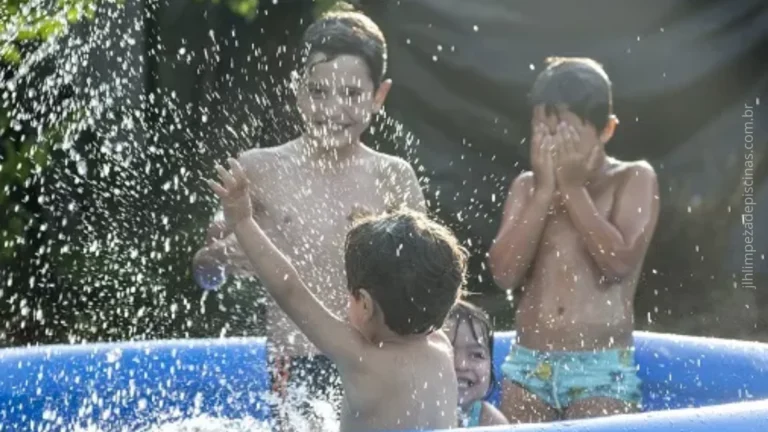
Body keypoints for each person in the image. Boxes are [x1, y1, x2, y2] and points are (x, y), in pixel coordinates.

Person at [192, 9, 426, 427]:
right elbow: (204, 271)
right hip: (294, 362)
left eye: (352, 95)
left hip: (377, 361)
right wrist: (221, 261)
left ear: (379, 96)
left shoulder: (393, 178)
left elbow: (428, 289)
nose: (333, 108)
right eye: (318, 92)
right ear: (298, 91)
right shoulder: (259, 170)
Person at [208, 158, 465, 431]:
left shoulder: (362, 359)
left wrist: (244, 222)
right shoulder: (441, 347)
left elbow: (290, 290)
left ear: (364, 304)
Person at [488, 56, 660, 422]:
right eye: (544, 131)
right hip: (528, 364)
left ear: (606, 130)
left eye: (566, 134)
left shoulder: (632, 179)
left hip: (600, 369)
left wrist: (571, 187)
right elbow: (503, 273)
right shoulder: (527, 187)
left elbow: (618, 263)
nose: (553, 145)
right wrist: (545, 192)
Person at [444, 300, 508, 427]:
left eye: (477, 355)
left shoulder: (490, 421)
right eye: (448, 352)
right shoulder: (414, 413)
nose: (461, 365)